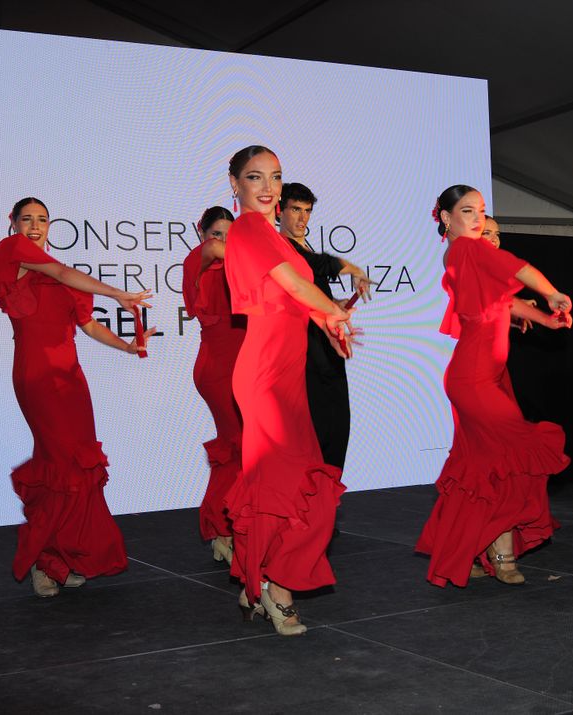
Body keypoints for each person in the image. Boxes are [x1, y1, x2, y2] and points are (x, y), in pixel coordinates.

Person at [0, 197, 155, 598]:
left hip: (71, 380)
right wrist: (117, 293)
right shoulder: (12, 251)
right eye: (26, 219)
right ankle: (44, 560)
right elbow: (61, 272)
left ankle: (58, 560)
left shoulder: (62, 274)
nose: (34, 226)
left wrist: (128, 346)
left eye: (42, 220)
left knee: (73, 467)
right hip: (37, 376)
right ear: (12, 222)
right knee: (60, 464)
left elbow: (88, 325)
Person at [222, 146, 354, 635]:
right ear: (234, 184)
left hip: (286, 373)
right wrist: (333, 312)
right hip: (264, 376)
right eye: (255, 177)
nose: (268, 187)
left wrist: (329, 322)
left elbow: (300, 296)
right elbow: (295, 287)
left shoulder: (275, 237)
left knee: (283, 487)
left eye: (275, 177)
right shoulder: (247, 229)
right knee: (294, 485)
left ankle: (255, 581)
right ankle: (278, 591)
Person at [415, 184, 572, 588]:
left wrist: (545, 319)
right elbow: (517, 266)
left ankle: (465, 550)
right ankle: (501, 555)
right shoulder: (464, 250)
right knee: (518, 455)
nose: (478, 220)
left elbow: (506, 302)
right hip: (473, 380)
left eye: (482, 212)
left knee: (485, 471)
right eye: (468, 211)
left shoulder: (471, 259)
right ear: (446, 218)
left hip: (490, 378)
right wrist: (552, 293)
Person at [278, 182, 371, 468]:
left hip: (324, 343)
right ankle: (315, 488)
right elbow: (317, 265)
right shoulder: (281, 247)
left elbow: (312, 290)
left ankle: (325, 487)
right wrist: (354, 269)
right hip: (304, 348)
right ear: (279, 211)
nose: (302, 218)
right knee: (319, 429)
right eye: (296, 210)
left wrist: (335, 304)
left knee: (335, 426)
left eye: (307, 211)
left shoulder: (302, 244)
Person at [182, 206, 245, 565]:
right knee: (239, 446)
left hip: (243, 366)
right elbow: (212, 250)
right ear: (201, 233)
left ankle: (224, 528)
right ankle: (221, 528)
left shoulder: (240, 268)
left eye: (229, 235)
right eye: (216, 233)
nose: (222, 241)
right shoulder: (199, 259)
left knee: (238, 450)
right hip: (219, 369)